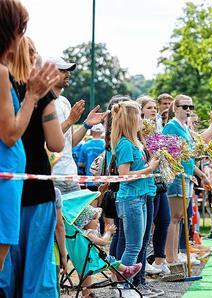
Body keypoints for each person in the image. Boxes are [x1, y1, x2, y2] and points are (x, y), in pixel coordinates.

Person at [0, 2, 62, 295]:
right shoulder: (6, 77)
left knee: (7, 272)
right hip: (22, 185)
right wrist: (35, 97)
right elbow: (52, 142)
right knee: (31, 273)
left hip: (15, 185)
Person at [110, 101, 159, 295]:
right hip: (131, 199)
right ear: (131, 118)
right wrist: (150, 168)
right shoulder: (124, 144)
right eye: (139, 114)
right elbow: (124, 175)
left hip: (140, 197)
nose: (142, 119)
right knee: (132, 246)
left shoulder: (134, 142)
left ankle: (123, 284)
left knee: (137, 245)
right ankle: (123, 286)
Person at [162, 95, 212, 269]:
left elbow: (193, 152)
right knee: (174, 218)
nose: (189, 110)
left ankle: (174, 255)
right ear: (175, 108)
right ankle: (170, 258)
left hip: (187, 177)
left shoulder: (184, 127)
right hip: (176, 177)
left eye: (191, 106)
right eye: (185, 107)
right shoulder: (171, 126)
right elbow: (167, 154)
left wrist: (200, 174)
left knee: (179, 218)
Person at [51, 56, 108, 194]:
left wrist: (87, 125)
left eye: (68, 70)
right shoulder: (42, 102)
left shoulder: (65, 102)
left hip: (71, 174)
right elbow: (49, 142)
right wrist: (70, 121)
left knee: (79, 216)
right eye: (63, 70)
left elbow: (71, 142)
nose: (68, 73)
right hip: (52, 176)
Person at [73, 205, 142, 281]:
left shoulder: (83, 234)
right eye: (94, 219)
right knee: (111, 260)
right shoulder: (88, 234)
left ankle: (118, 274)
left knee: (109, 260)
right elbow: (102, 242)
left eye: (97, 218)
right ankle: (127, 270)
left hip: (89, 259)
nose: (98, 221)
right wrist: (108, 232)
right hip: (94, 261)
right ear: (85, 222)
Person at [78, 124, 105, 191]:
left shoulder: (85, 145)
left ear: (91, 131)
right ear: (101, 132)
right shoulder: (105, 144)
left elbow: (80, 164)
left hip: (90, 179)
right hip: (103, 180)